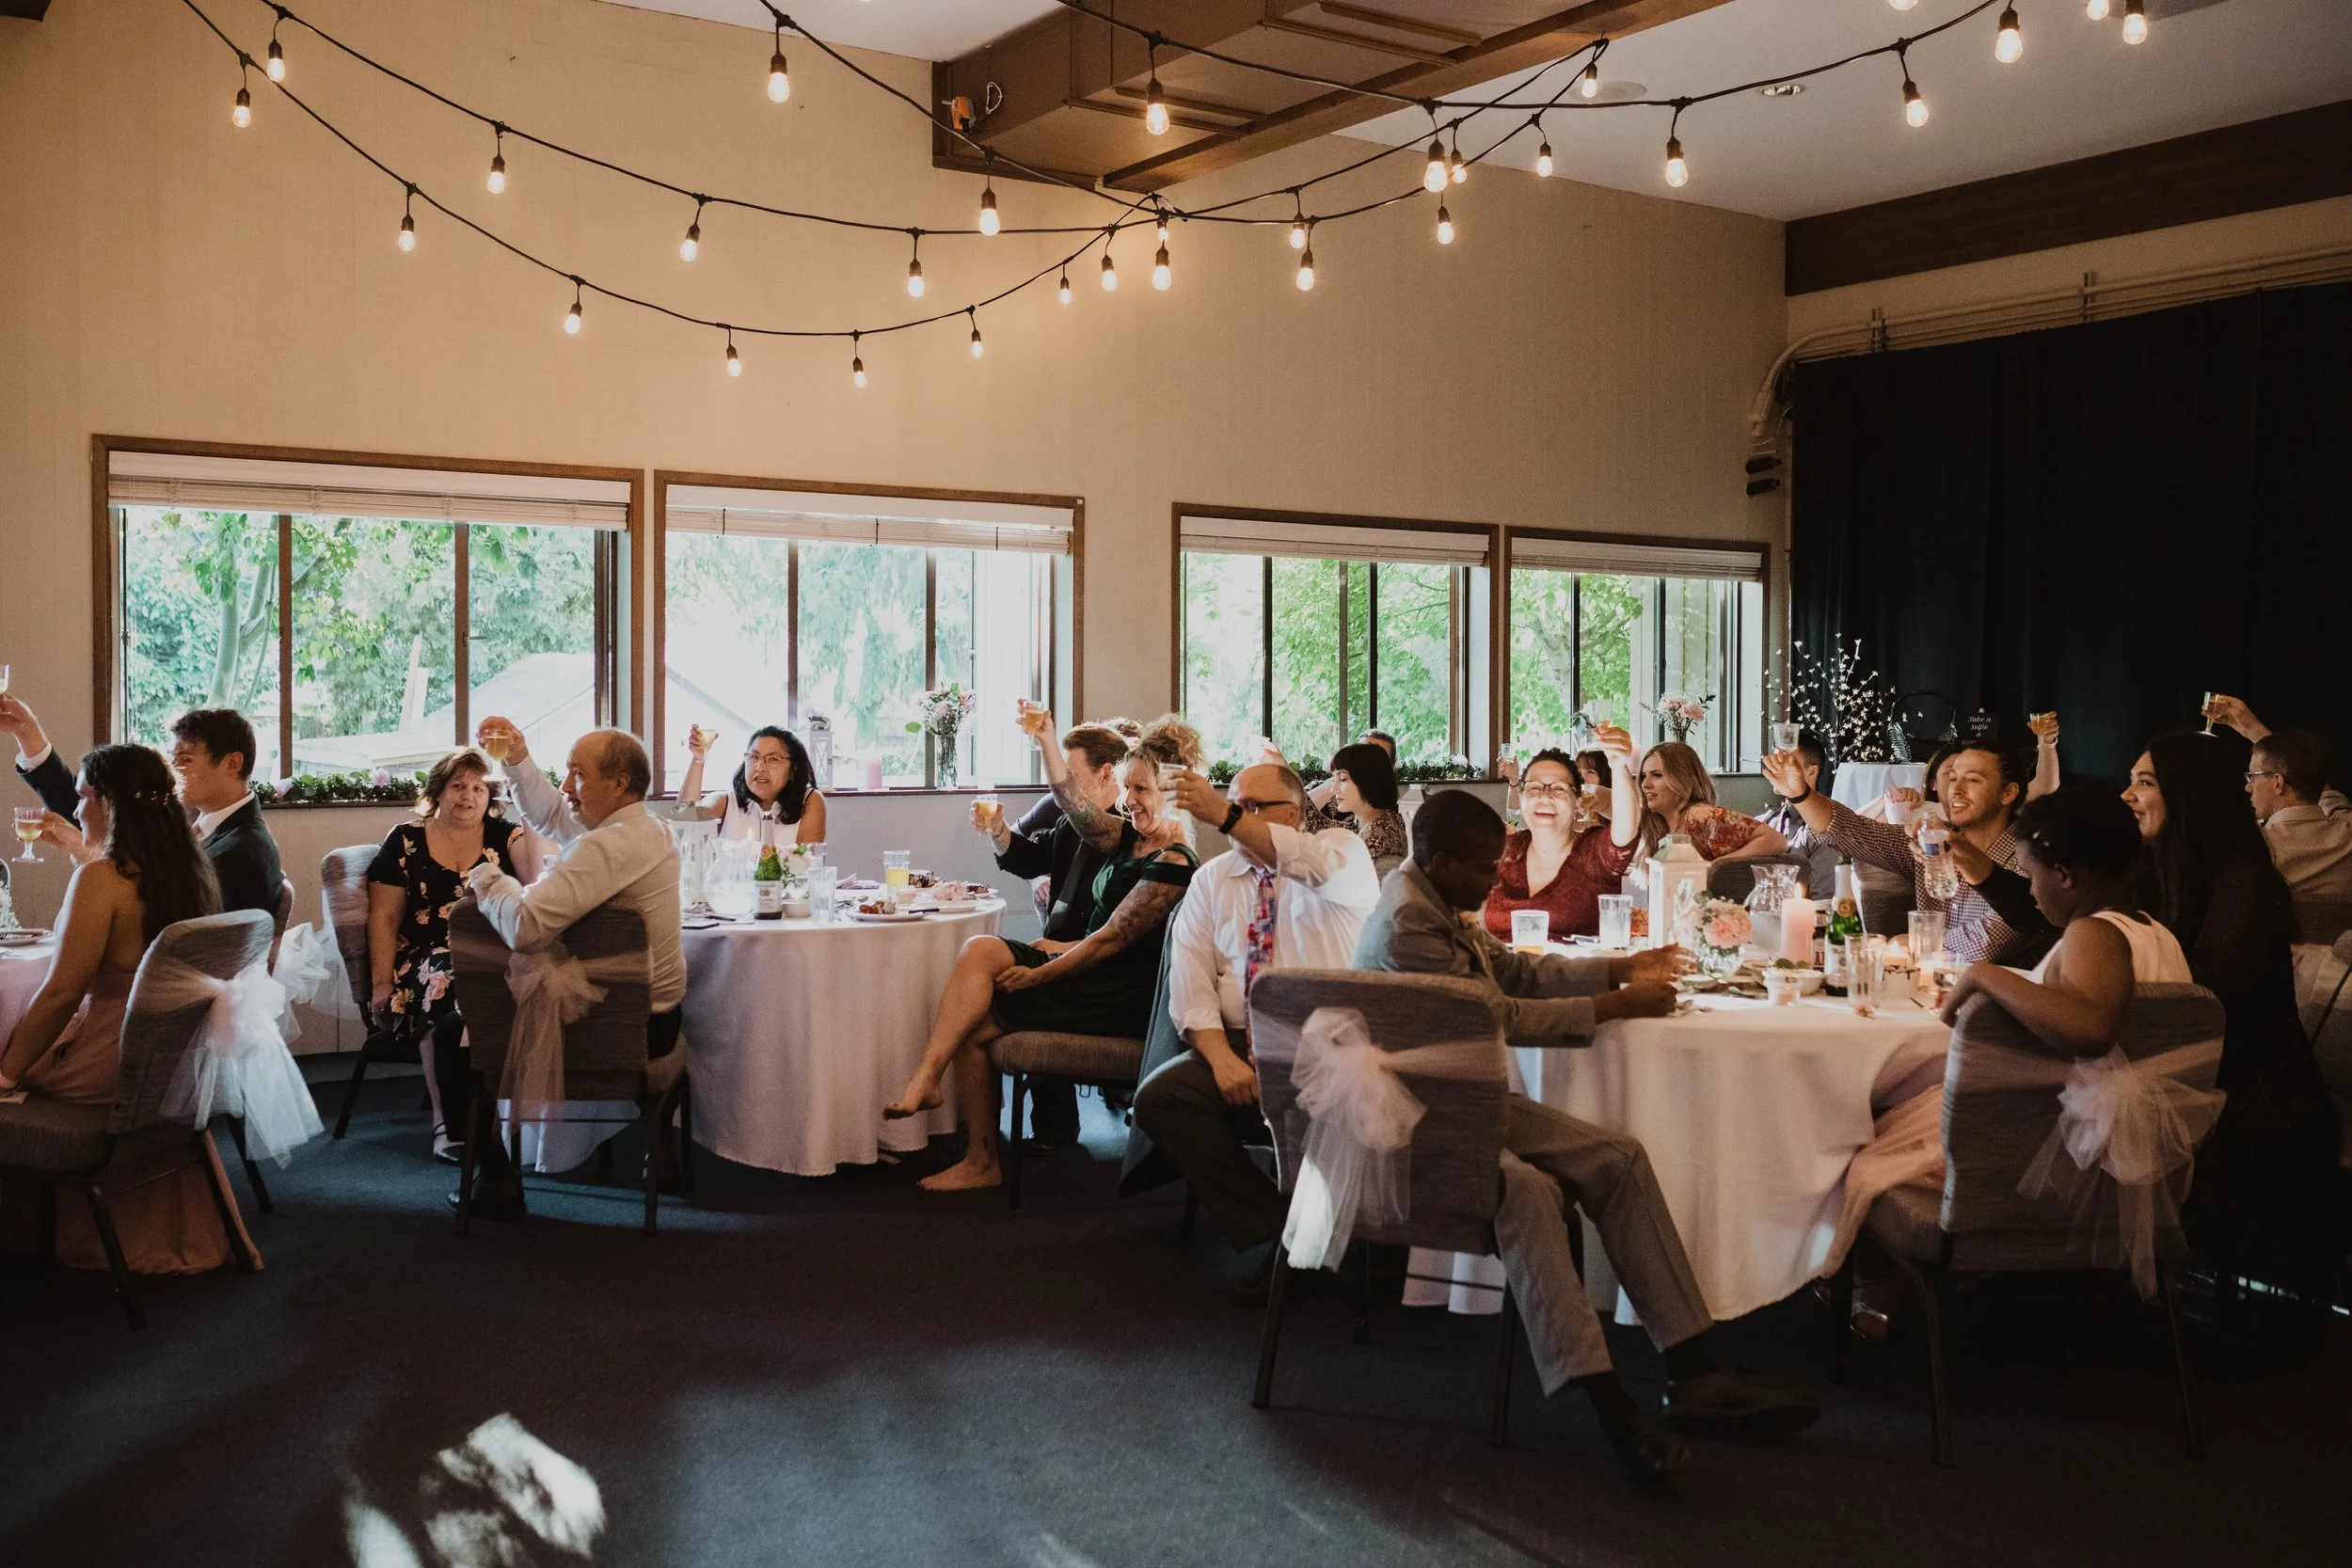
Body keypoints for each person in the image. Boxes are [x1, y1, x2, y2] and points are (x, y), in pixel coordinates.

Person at [1356, 789, 1817, 1479]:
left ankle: (1694, 1371)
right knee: (1529, 1194)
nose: (1495, 875)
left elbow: (1513, 969)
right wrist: (1613, 1006)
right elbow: (1498, 1017)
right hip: (1423, 1122)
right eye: (1484, 866)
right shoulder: (1406, 924)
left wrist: (1619, 967)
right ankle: (1615, 1413)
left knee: (1619, 1158)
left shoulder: (1429, 892)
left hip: (1461, 1098)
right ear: (1444, 860)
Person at [1820, 789, 2196, 1323]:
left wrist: (1983, 975)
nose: (2030, 894)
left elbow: (2091, 1029)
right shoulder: (2156, 932)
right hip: (2116, 1154)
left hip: (2037, 1155)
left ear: (2064, 875)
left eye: (2032, 876)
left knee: (1855, 1131)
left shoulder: (2093, 933)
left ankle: (1884, 1287)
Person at [885, 713, 1200, 1192]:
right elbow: (1070, 803)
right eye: (1129, 788)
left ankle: (979, 1159)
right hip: (1089, 979)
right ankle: (930, 1082)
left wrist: (1041, 975)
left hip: (1116, 997)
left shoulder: (1172, 861)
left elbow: (1110, 942)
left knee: (975, 1026)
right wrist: (1047, 740)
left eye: (1142, 791)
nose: (1130, 800)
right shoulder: (1129, 838)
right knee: (980, 950)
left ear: (1172, 795)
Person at [1125, 760, 1382, 1293]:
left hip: (1332, 1048)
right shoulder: (1212, 881)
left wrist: (1221, 814)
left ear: (1292, 813)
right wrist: (1220, 1059)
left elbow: (1303, 860)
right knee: (1161, 1099)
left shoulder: (1339, 852)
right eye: (1234, 805)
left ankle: (1315, 1242)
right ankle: (1279, 1235)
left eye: (1252, 808)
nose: (1237, 820)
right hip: (1240, 1044)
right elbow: (1190, 985)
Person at [0, 744, 258, 1274]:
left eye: (83, 799)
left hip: (108, 1065)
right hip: (168, 1068)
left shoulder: (104, 880)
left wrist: (5, 1076)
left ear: (111, 802)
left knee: (13, 1038)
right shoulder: (190, 872)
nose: (75, 812)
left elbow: (61, 995)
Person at [2123, 732, 2342, 1350]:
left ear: (2187, 794)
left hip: (2250, 1100)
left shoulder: (2245, 879)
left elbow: (2206, 1003)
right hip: (2183, 1073)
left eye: (2144, 781)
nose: (2128, 794)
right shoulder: (2161, 867)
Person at [448, 721, 684, 1220]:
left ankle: (495, 1176)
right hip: (651, 1023)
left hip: (608, 1030)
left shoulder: (607, 846)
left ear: (619, 785)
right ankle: (662, 1149)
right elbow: (558, 816)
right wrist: (518, 758)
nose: (567, 787)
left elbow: (527, 927)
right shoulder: (649, 829)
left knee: (456, 1029)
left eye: (578, 774)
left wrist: (489, 878)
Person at [365, 748, 543, 1163]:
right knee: (446, 980)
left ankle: (509, 1115)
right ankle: (447, 1121)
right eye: (458, 786)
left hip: (496, 950)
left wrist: (531, 813)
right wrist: (379, 982)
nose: (468, 796)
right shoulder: (405, 839)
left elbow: (537, 881)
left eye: (479, 788)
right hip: (425, 956)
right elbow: (384, 918)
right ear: (438, 792)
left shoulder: (506, 835)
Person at [976, 720, 1135, 1149]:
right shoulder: (1070, 827)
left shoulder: (1129, 833)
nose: (1062, 788)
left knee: (989, 984)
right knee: (982, 975)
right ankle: (1043, 1128)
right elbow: (1028, 860)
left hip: (1095, 969)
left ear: (1106, 774)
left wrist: (1063, 949)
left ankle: (1012, 1138)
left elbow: (1124, 938)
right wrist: (998, 831)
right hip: (1057, 951)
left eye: (1071, 776)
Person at [1763, 736, 2053, 965]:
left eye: (1973, 779)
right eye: (1952, 778)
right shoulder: (1931, 842)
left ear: (2008, 793)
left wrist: (1909, 942)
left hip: (2004, 1002)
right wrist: (1800, 794)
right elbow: (1850, 831)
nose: (1956, 790)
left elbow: (1988, 942)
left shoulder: (2032, 859)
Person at [1, 695, 281, 915]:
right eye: (171, 759)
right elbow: (94, 811)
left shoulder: (240, 854)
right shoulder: (200, 826)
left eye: (185, 760)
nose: (172, 770)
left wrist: (87, 855)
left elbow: (158, 923)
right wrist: (28, 735)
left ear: (232, 763)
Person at [2203, 697, 2352, 937]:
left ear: (2277, 783)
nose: (2247, 787)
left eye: (2252, 776)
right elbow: (2321, 788)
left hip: (2274, 971)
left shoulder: (2252, 846)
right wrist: (2256, 732)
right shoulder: (2348, 831)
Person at [1479, 725, 1640, 942]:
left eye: (1559, 789)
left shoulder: (1594, 854)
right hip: (1498, 972)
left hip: (1572, 974)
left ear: (1578, 803)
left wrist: (1619, 766)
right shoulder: (1501, 850)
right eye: (1535, 788)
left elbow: (1626, 828)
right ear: (1523, 798)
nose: (1545, 797)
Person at [675, 723, 828, 845]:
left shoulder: (810, 800)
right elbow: (685, 820)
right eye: (754, 757)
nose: (760, 767)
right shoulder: (726, 802)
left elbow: (806, 863)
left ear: (793, 769)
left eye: (773, 759)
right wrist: (698, 759)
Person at [1634, 741, 1787, 862]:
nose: (1645, 784)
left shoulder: (1702, 815)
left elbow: (1777, 840)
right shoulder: (1657, 824)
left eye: (1657, 775)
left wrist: (1715, 866)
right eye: (1643, 776)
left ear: (1682, 779)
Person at [1325, 741, 1407, 874]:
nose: (1333, 790)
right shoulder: (1373, 822)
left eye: (1343, 778)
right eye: (1334, 779)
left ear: (1367, 780)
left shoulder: (1379, 836)